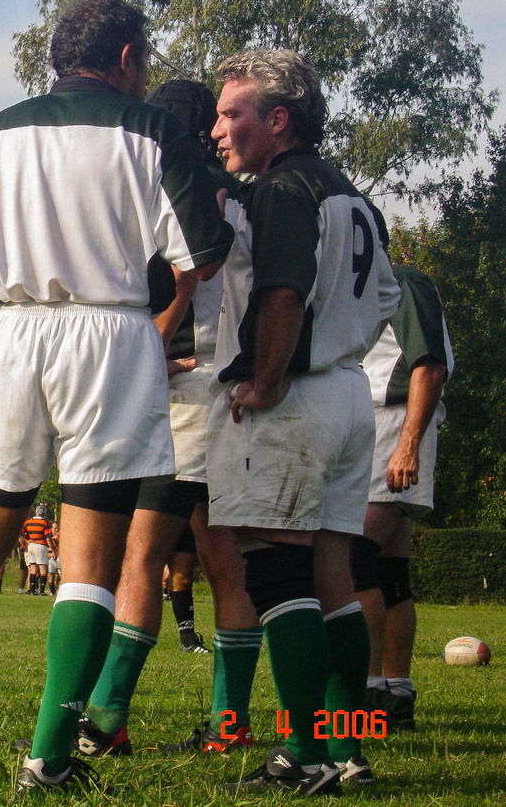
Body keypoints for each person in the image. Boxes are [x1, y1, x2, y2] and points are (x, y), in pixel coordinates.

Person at [0, 0, 234, 793]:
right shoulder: (151, 130)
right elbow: (202, 254)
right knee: (90, 557)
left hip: (14, 335)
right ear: (129, 59)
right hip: (109, 336)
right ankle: (48, 754)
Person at [207, 48, 399, 793]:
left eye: (233, 114)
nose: (220, 130)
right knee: (334, 573)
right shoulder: (351, 193)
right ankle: (348, 748)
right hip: (351, 394)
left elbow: (281, 292)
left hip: (298, 396)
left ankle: (305, 755)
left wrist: (264, 377)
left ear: (277, 119)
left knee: (277, 567)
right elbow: (383, 298)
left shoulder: (281, 190)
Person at [76, 80, 242, 758]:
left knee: (141, 558)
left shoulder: (166, 181)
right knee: (226, 562)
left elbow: (186, 277)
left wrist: (149, 342)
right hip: (222, 384)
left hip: (179, 383)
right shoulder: (239, 188)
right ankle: (230, 722)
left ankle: (109, 718)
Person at [354, 263, 453, 730]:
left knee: (356, 562)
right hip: (383, 423)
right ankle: (398, 696)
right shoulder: (370, 280)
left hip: (393, 424)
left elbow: (430, 363)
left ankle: (369, 694)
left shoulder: (402, 281)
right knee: (391, 574)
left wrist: (409, 442)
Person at [21, 506, 54, 595]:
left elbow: (20, 534)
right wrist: (53, 549)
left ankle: (32, 590)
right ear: (44, 513)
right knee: (43, 569)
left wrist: (27, 541)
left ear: (36, 512)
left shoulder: (28, 522)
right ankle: (42, 591)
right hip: (41, 545)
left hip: (31, 545)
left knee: (33, 569)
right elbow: (48, 538)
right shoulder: (44, 523)